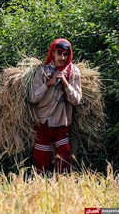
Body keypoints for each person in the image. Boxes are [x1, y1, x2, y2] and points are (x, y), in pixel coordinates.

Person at [29, 38, 82, 173]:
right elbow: (33, 98)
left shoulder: (74, 72)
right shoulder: (42, 71)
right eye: (59, 53)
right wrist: (48, 84)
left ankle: (62, 192)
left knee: (64, 166)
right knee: (41, 165)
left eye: (65, 54)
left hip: (61, 125)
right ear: (52, 53)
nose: (62, 57)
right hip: (43, 124)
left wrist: (64, 81)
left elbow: (76, 100)